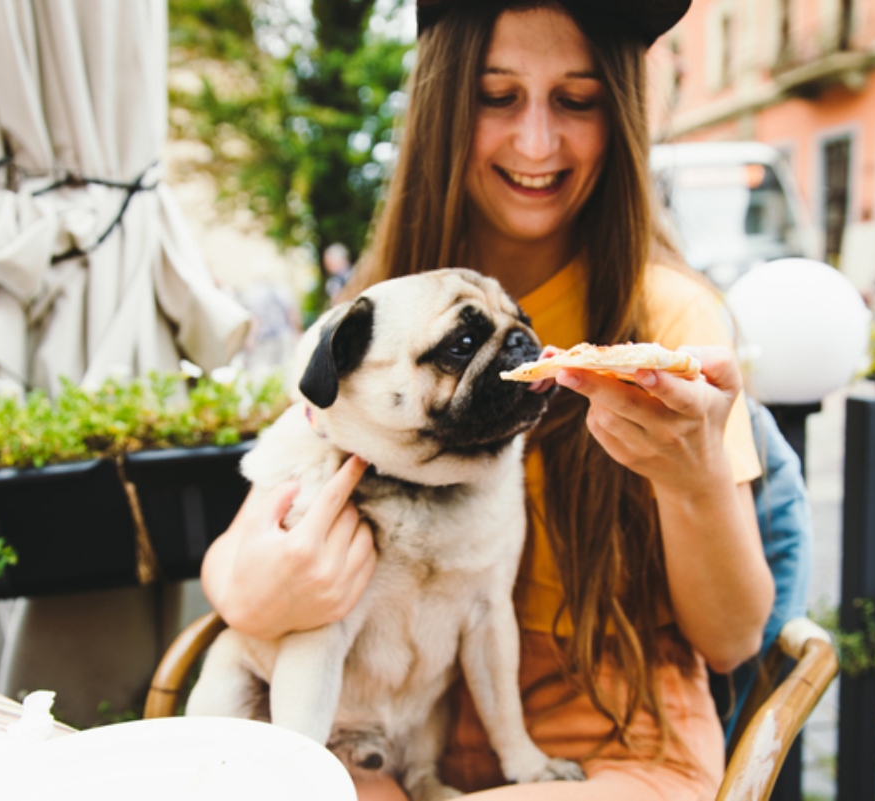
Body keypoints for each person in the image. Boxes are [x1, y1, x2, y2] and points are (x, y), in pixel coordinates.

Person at [201, 2, 774, 799]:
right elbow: (253, 527)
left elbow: (735, 637)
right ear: (442, 105)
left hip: (604, 741)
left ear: (621, 113)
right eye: (497, 96)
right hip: (385, 726)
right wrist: (243, 586)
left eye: (577, 100)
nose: (537, 142)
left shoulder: (667, 316)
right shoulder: (387, 307)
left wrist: (696, 476)